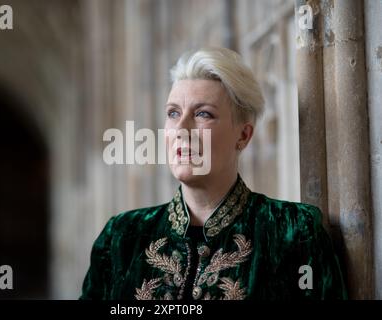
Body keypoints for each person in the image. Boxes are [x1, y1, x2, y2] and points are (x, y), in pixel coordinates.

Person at [80, 47, 347, 300]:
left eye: (203, 114)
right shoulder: (121, 238)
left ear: (243, 135)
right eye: (173, 113)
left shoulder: (294, 232)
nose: (181, 129)